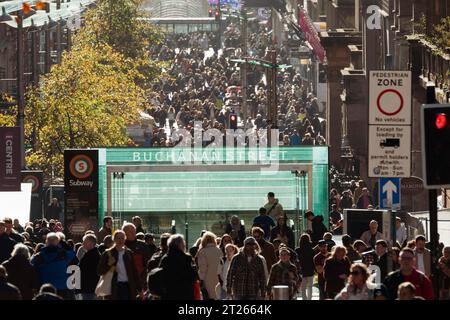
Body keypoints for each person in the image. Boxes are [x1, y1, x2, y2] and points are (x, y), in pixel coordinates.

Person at [31, 232, 77, 300]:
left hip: (45, 288)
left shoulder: (38, 257)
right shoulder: (66, 255)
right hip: (63, 288)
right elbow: (75, 261)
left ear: (46, 242)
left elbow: (33, 271)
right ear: (58, 243)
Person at [97, 230, 141, 300]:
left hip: (127, 287)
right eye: (118, 238)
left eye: (122, 238)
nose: (120, 240)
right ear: (114, 239)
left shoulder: (129, 253)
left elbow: (134, 272)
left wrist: (139, 289)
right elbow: (99, 271)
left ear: (125, 239)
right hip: (113, 288)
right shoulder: (107, 254)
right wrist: (109, 265)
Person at [159, 234, 198, 300]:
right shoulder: (186, 258)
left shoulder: (165, 259)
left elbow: (161, 276)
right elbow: (193, 276)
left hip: (169, 294)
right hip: (185, 293)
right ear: (180, 245)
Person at [122, 223, 152, 291]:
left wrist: (143, 279)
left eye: (134, 231)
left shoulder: (142, 245)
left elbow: (148, 264)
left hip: (140, 281)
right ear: (124, 233)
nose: (133, 233)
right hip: (123, 282)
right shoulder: (120, 246)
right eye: (130, 232)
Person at [196, 231, 223, 300]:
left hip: (207, 278)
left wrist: (200, 278)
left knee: (208, 297)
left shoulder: (202, 251)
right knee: (218, 296)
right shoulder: (218, 250)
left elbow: (203, 268)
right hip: (218, 277)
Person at [77, 234, 100, 300]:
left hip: (89, 288)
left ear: (91, 243)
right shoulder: (93, 254)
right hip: (90, 287)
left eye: (84, 241)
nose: (82, 243)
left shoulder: (91, 256)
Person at [295, 234, 315, 300]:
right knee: (310, 287)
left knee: (303, 288)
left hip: (301, 271)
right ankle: (309, 299)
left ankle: (304, 299)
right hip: (310, 270)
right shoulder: (312, 251)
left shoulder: (297, 250)